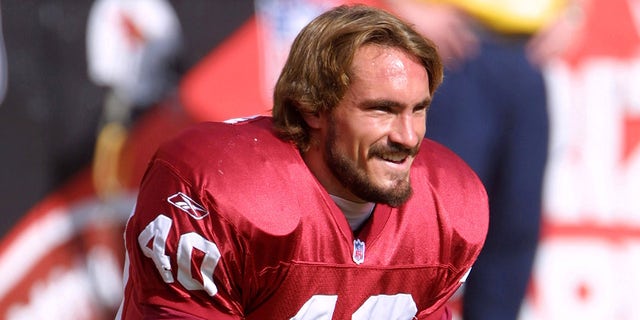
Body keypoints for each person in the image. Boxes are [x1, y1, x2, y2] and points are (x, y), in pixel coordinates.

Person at [116, 4, 488, 319]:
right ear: (312, 108)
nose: (407, 137)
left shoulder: (446, 206)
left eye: (418, 110)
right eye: (381, 110)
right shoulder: (222, 191)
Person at [387, 0, 584, 319]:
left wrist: (575, 10)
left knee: (515, 226)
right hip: (458, 49)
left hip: (527, 53)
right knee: (432, 222)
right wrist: (409, 8)